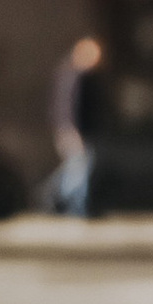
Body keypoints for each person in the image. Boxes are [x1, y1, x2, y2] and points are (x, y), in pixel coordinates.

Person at [45, 34, 107, 219]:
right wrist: (69, 131)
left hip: (81, 131)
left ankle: (63, 201)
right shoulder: (70, 76)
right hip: (71, 132)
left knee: (77, 168)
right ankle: (61, 200)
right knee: (77, 169)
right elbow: (64, 107)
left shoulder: (83, 77)